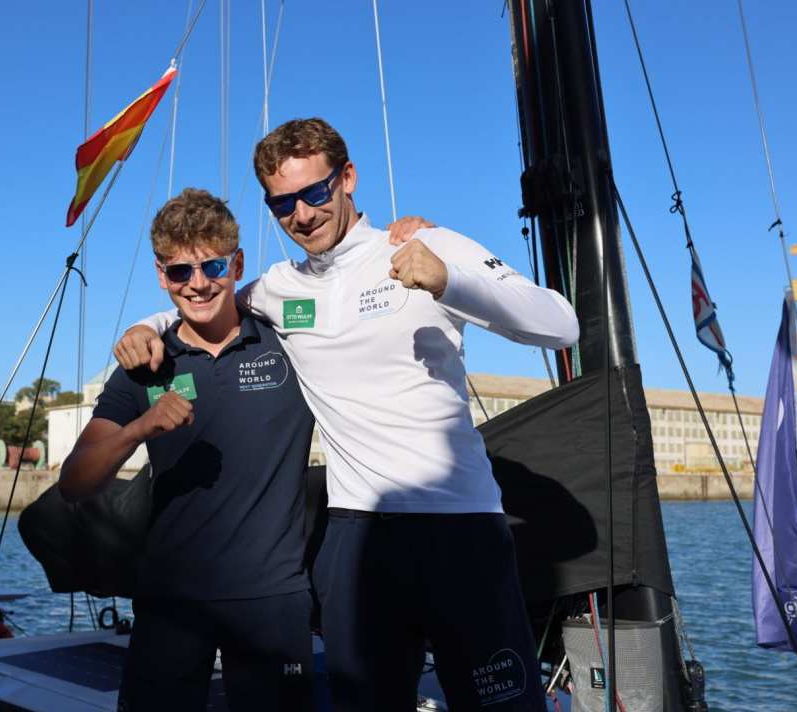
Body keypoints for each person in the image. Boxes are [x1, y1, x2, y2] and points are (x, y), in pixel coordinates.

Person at [115, 118, 580, 711]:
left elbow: (560, 325)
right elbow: (209, 304)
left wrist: (448, 282)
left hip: (460, 529)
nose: (302, 215)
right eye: (282, 204)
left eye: (314, 193)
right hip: (356, 540)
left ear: (348, 178)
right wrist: (146, 325)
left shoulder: (427, 247)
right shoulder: (281, 288)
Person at [59, 188, 317, 712]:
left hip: (272, 599)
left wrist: (408, 236)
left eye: (213, 266)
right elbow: (74, 483)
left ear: (236, 263)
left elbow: (348, 295)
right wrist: (139, 429)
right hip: (170, 601)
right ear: (162, 276)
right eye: (180, 272)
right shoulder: (143, 366)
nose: (198, 284)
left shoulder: (290, 340)